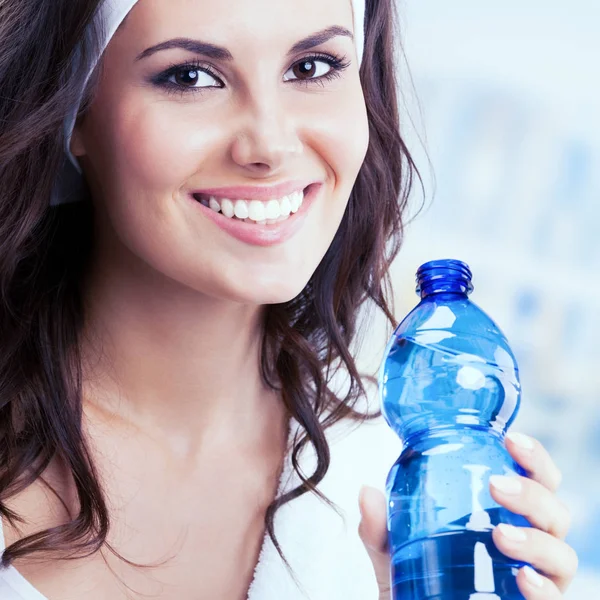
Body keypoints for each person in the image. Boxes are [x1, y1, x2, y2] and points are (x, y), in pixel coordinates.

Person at [0, 0, 578, 598]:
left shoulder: (394, 482)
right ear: (73, 108)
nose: (270, 145)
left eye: (312, 67)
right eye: (190, 76)